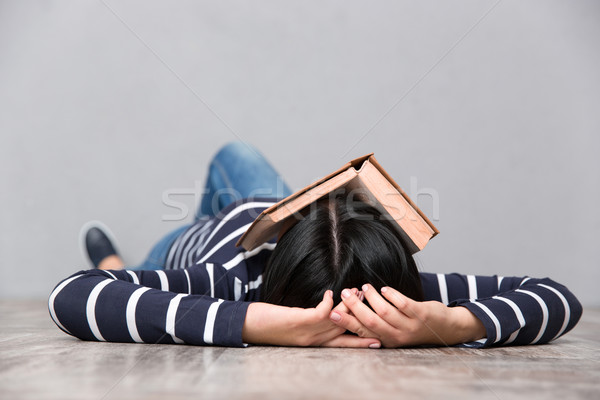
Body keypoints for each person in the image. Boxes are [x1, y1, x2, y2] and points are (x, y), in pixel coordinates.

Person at [49, 142, 583, 349]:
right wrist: (251, 320)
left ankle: (122, 260)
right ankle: (123, 261)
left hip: (279, 218)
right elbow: (73, 296)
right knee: (234, 159)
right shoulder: (235, 284)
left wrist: (452, 323)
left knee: (255, 175)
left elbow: (556, 297)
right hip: (199, 243)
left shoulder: (399, 297)